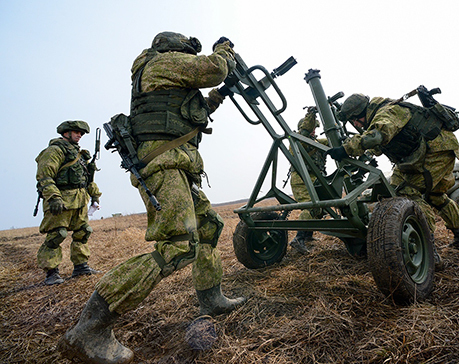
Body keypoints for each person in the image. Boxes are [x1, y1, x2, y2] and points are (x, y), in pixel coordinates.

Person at [58, 32, 245, 364]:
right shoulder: (160, 63)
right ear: (174, 50)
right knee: (178, 246)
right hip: (164, 164)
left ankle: (211, 299)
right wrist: (224, 50)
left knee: (208, 227)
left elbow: (195, 110)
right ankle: (90, 329)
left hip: (177, 165)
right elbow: (214, 68)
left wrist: (222, 95)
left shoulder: (167, 79)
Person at [327, 93, 459, 254]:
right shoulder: (378, 117)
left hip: (436, 150)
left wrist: (346, 149)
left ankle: (426, 251)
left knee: (409, 194)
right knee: (431, 195)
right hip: (417, 155)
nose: (355, 123)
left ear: (363, 111)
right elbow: (377, 147)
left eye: (355, 119)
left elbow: (377, 136)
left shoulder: (388, 112)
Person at [35, 120, 102, 286]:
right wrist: (54, 197)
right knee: (57, 235)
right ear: (66, 133)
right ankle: (51, 273)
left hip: (79, 200)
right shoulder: (54, 151)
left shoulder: (79, 154)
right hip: (61, 201)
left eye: (81, 133)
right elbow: (45, 177)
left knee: (83, 232)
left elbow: (86, 179)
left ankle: (81, 266)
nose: (79, 135)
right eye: (76, 132)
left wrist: (95, 196)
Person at [289, 108, 328, 254]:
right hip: (301, 179)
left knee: (320, 208)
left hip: (315, 179)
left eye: (315, 128)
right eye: (312, 128)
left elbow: (332, 142)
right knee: (311, 208)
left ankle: (307, 236)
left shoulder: (316, 141)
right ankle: (298, 240)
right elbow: (305, 134)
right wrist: (311, 115)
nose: (314, 131)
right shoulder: (298, 141)